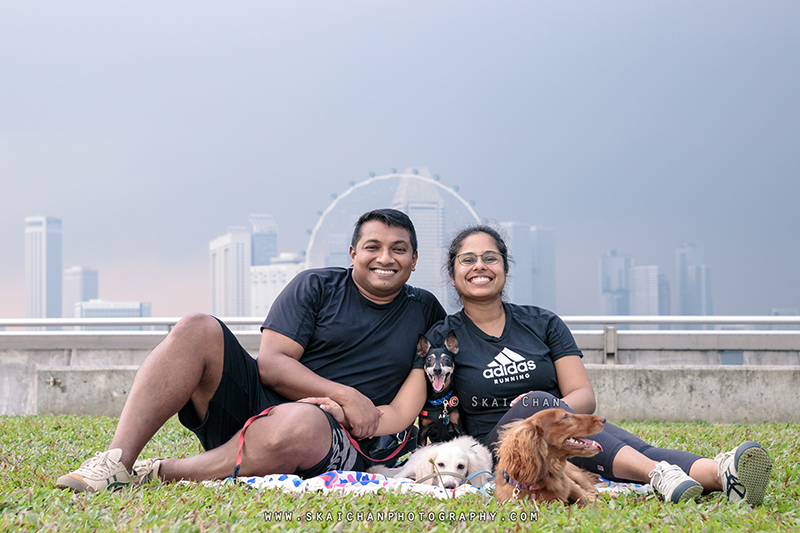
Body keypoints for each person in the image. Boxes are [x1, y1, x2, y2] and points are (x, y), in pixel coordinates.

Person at [56, 208, 446, 492]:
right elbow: (272, 365)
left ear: (413, 260)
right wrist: (345, 394)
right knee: (196, 327)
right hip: (260, 407)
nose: (384, 258)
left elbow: (421, 392)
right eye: (372, 247)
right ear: (351, 254)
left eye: (398, 250)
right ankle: (114, 463)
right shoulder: (316, 287)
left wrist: (353, 411)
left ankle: (163, 471)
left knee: (301, 422)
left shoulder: (425, 310)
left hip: (337, 435)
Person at [424, 225, 773, 505]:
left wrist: (552, 413)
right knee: (539, 405)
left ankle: (722, 474)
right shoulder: (444, 336)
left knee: (630, 445)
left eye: (490, 257)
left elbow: (583, 396)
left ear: (505, 268)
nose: (480, 266)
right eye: (467, 259)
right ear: (453, 275)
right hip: (506, 452)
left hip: (560, 434)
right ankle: (658, 475)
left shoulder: (542, 322)